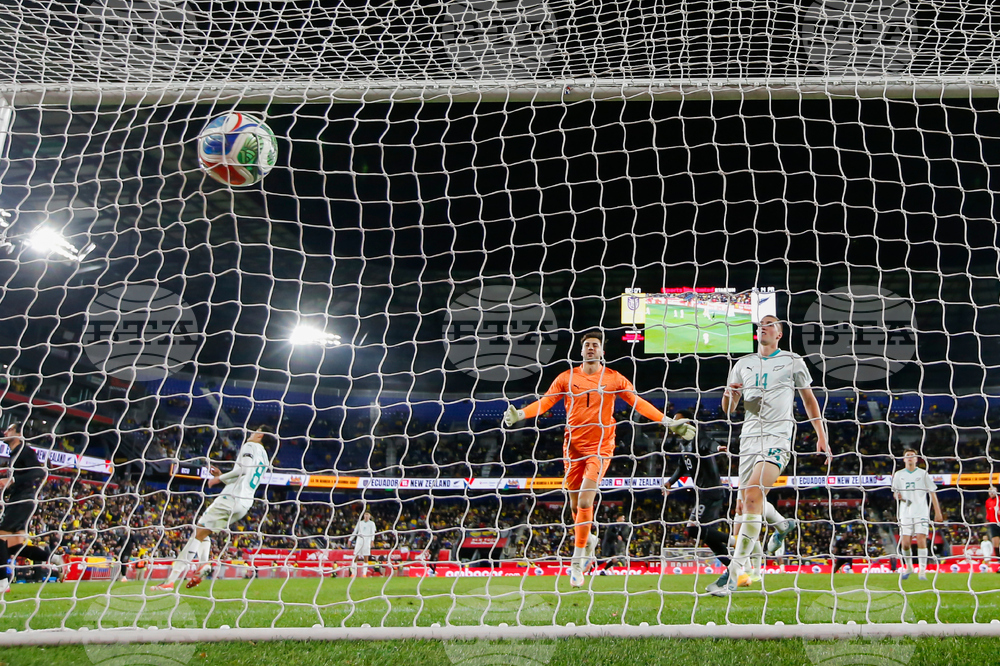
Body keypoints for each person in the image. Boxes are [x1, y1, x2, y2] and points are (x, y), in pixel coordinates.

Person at [504, 330, 693, 588]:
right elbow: (546, 403)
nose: (591, 348)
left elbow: (638, 403)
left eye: (595, 345)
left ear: (602, 351)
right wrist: (521, 414)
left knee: (585, 499)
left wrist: (670, 422)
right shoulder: (567, 378)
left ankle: (577, 561)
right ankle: (589, 540)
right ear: (581, 351)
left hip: (601, 446)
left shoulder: (614, 378)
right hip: (572, 448)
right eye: (587, 345)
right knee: (574, 508)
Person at [708, 315, 830, 595]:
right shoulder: (742, 364)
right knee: (743, 507)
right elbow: (728, 408)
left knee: (752, 494)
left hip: (778, 436)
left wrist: (821, 435)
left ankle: (734, 573)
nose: (763, 326)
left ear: (779, 334)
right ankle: (780, 525)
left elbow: (809, 399)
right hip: (749, 439)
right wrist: (730, 395)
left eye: (770, 323)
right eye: (760, 324)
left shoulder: (792, 361)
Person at [150, 426, 275, 592]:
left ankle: (171, 581)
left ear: (260, 435)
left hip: (231, 498)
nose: (251, 433)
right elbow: (245, 477)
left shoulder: (250, 446)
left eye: (255, 431)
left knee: (197, 533)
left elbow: (243, 470)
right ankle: (203, 565)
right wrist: (222, 476)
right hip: (245, 503)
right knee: (203, 530)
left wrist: (217, 480)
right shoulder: (265, 458)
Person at [661, 411, 734, 576]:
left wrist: (719, 447)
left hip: (711, 491)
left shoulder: (698, 437)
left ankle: (737, 542)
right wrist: (669, 482)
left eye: (677, 420)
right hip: (703, 493)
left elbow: (709, 444)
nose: (674, 424)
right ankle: (735, 568)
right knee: (708, 537)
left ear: (687, 423)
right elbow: (682, 466)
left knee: (693, 530)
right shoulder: (683, 444)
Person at [0, 423, 53, 595]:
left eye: (9, 430)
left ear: (18, 433)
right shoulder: (14, 453)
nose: (5, 432)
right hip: (19, 499)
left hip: (23, 500)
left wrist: (12, 480)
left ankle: (2, 583)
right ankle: (52, 558)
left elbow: (39, 472)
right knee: (14, 547)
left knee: (0, 537)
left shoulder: (25, 450)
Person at [891, 448, 943, 581]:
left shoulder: (923, 474)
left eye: (912, 456)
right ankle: (909, 567)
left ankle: (922, 571)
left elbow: (932, 492)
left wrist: (937, 512)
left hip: (921, 512)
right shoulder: (898, 475)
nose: (909, 457)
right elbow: (895, 493)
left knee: (921, 540)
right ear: (904, 459)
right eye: (907, 456)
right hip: (905, 513)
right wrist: (898, 496)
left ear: (916, 459)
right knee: (905, 543)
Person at [350, 511, 377, 577]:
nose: (366, 516)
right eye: (365, 515)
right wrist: (350, 539)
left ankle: (364, 574)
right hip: (359, 541)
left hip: (367, 541)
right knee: (356, 556)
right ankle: (353, 573)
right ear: (363, 515)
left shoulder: (372, 523)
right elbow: (355, 531)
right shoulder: (360, 523)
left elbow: (373, 533)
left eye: (368, 515)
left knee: (366, 557)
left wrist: (372, 541)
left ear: (370, 516)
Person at [984, 487, 999, 569]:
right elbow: (988, 512)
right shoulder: (988, 502)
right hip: (993, 523)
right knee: (995, 543)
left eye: (993, 491)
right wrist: (987, 520)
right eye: (990, 491)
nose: (991, 493)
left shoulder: (999, 499)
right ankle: (999, 561)